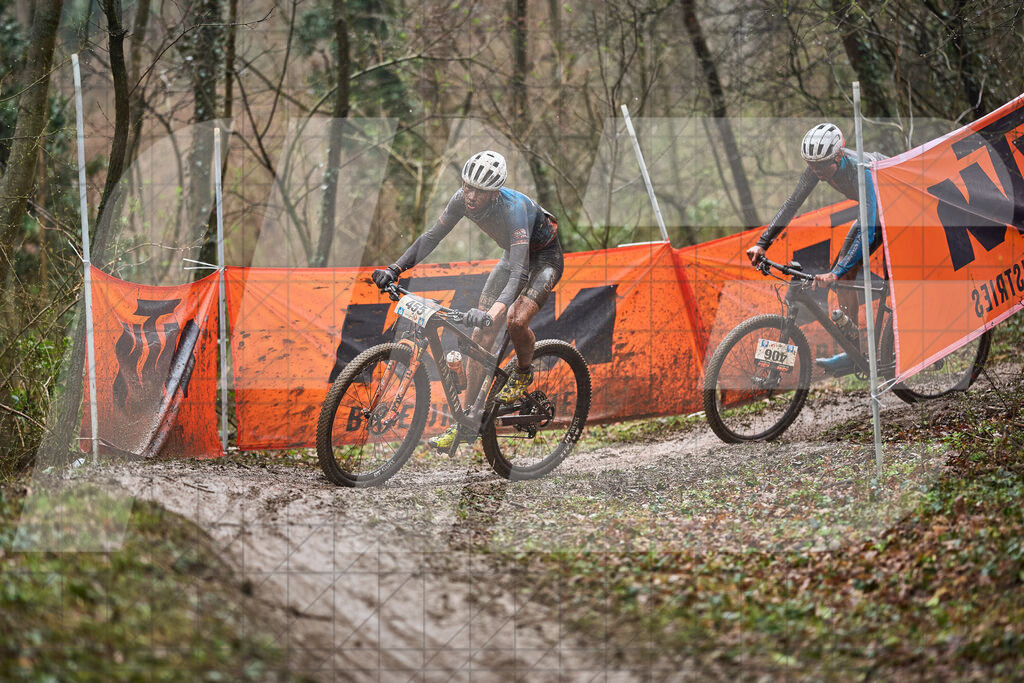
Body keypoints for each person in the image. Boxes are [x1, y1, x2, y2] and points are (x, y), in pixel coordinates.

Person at [371, 150, 563, 450]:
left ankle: (524, 372)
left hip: (542, 261)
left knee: (514, 320)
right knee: (479, 337)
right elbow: (432, 237)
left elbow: (520, 271)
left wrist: (496, 311)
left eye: (480, 191)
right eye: (467, 186)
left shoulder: (514, 210)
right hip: (510, 259)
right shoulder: (461, 199)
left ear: (495, 192)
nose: (471, 195)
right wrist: (394, 269)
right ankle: (466, 422)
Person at [746, 123, 887, 376]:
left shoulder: (860, 170)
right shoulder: (817, 167)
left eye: (822, 166)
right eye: (812, 166)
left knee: (843, 273)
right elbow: (792, 204)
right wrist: (763, 242)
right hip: (876, 214)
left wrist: (837, 271)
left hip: (899, 211)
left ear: (839, 155)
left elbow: (869, 229)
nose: (817, 172)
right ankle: (854, 354)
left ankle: (898, 341)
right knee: (843, 277)